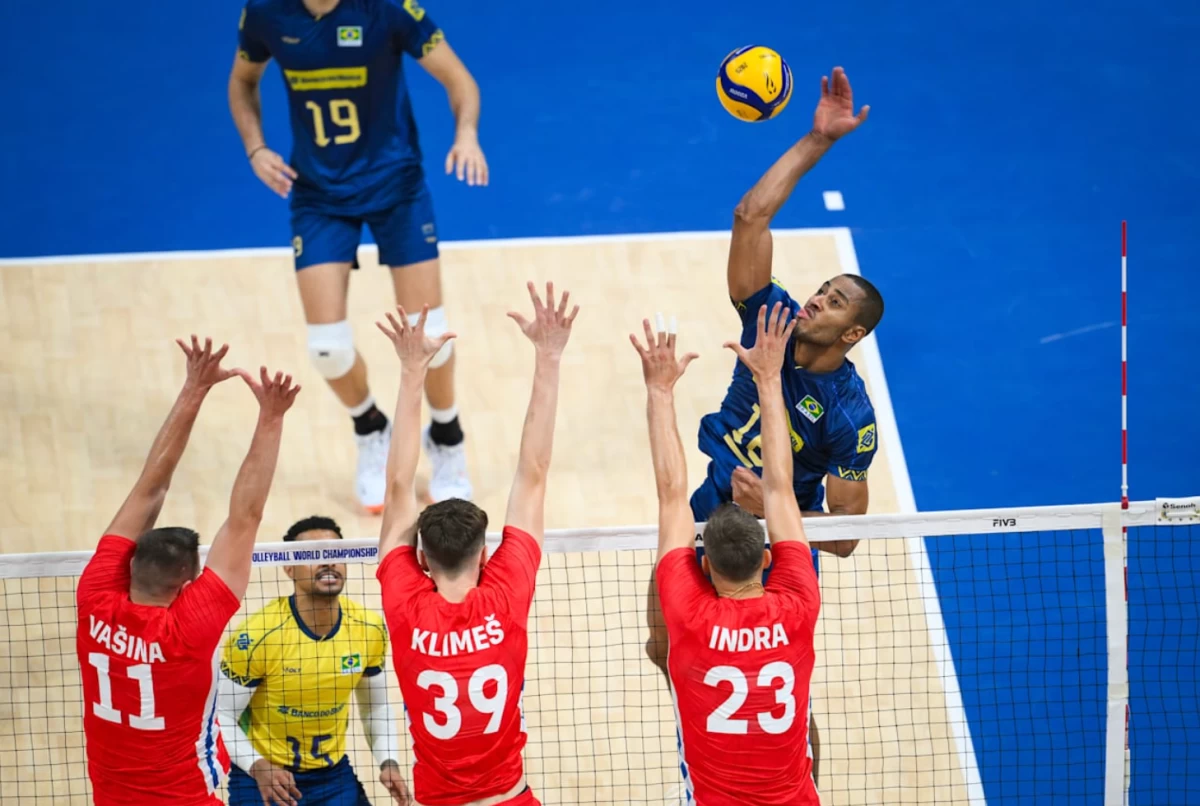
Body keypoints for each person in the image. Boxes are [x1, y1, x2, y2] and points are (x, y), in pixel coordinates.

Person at [647, 66, 880, 782]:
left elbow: (842, 538)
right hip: (706, 510)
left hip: (773, 542)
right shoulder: (769, 316)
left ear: (852, 334)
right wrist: (817, 139)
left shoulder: (850, 415)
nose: (818, 298)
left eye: (836, 301)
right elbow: (752, 216)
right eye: (823, 288)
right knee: (661, 645)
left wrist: (778, 508)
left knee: (778, 670)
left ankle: (787, 757)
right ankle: (714, 745)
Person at [228, 0, 488, 513]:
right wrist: (255, 147)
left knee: (429, 335)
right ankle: (371, 427)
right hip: (319, 196)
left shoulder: (389, 10)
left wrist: (466, 134)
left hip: (397, 189)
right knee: (327, 348)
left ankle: (447, 435)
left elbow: (460, 80)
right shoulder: (265, 14)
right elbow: (242, 82)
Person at [373, 283, 577, 806]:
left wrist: (412, 370)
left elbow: (397, 486)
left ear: (419, 559)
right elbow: (534, 473)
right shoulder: (504, 591)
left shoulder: (404, 600)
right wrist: (549, 356)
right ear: (485, 556)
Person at [76, 337, 300, 805]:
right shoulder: (188, 626)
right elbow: (246, 517)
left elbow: (149, 488)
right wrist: (272, 418)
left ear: (129, 562)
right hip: (187, 797)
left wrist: (194, 387)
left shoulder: (95, 592)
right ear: (187, 582)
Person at [632, 303, 821, 804]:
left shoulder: (688, 615)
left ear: (702, 565)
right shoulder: (799, 605)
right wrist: (769, 377)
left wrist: (660, 390)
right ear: (766, 559)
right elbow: (781, 491)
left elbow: (672, 495)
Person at [217, 515, 409, 806]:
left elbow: (377, 706)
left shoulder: (368, 630)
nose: (328, 562)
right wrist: (257, 765)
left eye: (335, 553)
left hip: (331, 777)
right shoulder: (256, 637)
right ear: (288, 567)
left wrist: (388, 761)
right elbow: (222, 717)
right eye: (312, 554)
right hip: (262, 774)